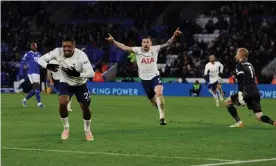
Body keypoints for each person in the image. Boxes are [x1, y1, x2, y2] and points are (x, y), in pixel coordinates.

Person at [105, 27, 182, 125]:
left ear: (151, 43)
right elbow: (124, 47)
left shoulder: (155, 49)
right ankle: (159, 109)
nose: (145, 44)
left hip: (155, 77)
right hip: (144, 80)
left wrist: (175, 36)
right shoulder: (137, 50)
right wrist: (114, 42)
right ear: (141, 43)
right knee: (153, 101)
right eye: (143, 42)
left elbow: (167, 44)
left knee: (159, 93)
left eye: (147, 42)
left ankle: (162, 117)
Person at [38, 37, 95, 141]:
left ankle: (87, 130)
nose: (66, 48)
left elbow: (91, 73)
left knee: (85, 108)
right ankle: (66, 128)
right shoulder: (57, 52)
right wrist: (48, 66)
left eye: (69, 46)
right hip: (65, 82)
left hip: (80, 84)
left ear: (74, 47)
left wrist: (78, 74)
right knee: (62, 103)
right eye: (64, 46)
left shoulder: (81, 56)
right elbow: (40, 59)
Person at [224, 48, 276, 128]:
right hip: (255, 92)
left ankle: (239, 122)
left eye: (237, 53)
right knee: (259, 116)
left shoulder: (239, 65)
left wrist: (241, 93)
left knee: (227, 102)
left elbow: (241, 78)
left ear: (240, 55)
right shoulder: (250, 65)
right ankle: (273, 123)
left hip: (246, 92)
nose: (236, 55)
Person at [20, 42, 45, 108]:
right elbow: (22, 63)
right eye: (32, 46)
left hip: (37, 73)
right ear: (31, 47)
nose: (33, 47)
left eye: (34, 46)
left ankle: (24, 100)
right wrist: (21, 72)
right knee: (37, 88)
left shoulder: (39, 54)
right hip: (31, 73)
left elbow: (41, 63)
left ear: (36, 47)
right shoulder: (28, 54)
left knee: (35, 90)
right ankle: (39, 103)